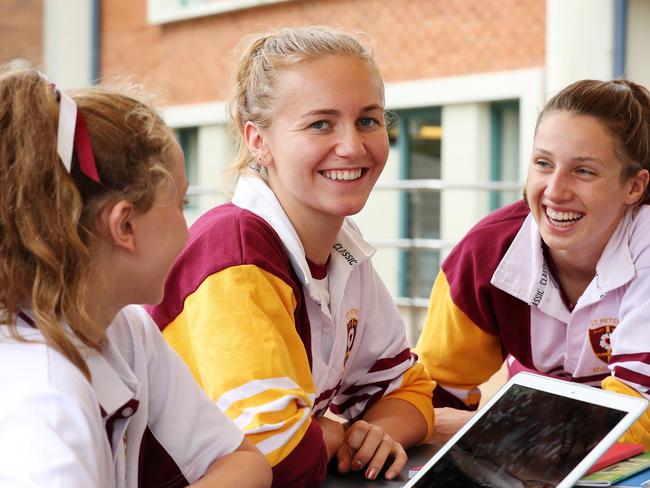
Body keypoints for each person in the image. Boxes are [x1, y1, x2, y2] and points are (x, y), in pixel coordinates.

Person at [147, 26, 435, 486]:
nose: (353, 146)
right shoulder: (235, 252)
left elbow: (412, 389)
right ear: (257, 140)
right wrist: (340, 434)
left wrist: (373, 433)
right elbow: (276, 458)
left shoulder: (344, 247)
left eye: (368, 120)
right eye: (321, 123)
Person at [0, 66, 272, 487]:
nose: (189, 227)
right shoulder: (45, 407)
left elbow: (244, 464)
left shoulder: (123, 328)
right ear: (125, 226)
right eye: (180, 203)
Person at [415, 79, 650, 446]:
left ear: (634, 187)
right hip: (534, 456)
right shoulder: (485, 255)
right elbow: (430, 396)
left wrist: (488, 430)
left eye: (583, 170)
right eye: (543, 163)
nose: (555, 191)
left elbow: (637, 417)